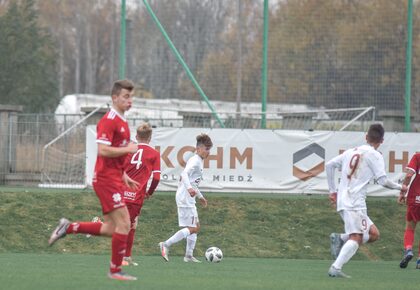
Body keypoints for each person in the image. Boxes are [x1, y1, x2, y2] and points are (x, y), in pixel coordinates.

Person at [48, 79, 139, 281]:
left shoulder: (123, 122)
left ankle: (68, 227)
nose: (129, 100)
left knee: (110, 229)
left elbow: (113, 156)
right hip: (105, 180)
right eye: (125, 96)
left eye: (131, 96)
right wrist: (128, 149)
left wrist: (124, 175)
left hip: (114, 178)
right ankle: (115, 271)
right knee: (125, 223)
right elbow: (103, 150)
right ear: (114, 98)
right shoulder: (109, 120)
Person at [326, 123, 407, 278]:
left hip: (346, 200)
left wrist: (332, 192)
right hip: (354, 201)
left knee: (374, 234)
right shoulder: (375, 155)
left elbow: (329, 165)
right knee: (356, 236)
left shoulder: (351, 151)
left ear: (366, 136)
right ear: (382, 141)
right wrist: (400, 187)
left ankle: (340, 238)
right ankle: (336, 268)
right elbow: (383, 181)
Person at [159, 133, 212, 263]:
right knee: (194, 228)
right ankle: (166, 244)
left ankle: (188, 256)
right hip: (185, 197)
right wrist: (189, 189)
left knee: (196, 226)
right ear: (199, 149)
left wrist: (200, 197)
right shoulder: (195, 160)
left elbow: (194, 183)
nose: (208, 152)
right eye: (206, 149)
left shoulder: (199, 161)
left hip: (188, 197)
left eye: (209, 149)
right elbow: (184, 174)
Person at [122, 123, 161, 266]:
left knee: (132, 225)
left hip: (121, 193)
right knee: (126, 225)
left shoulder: (128, 150)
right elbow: (156, 178)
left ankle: (127, 257)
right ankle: (99, 225)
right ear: (150, 138)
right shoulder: (154, 154)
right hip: (135, 196)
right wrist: (149, 192)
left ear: (136, 136)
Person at [397, 153, 420, 269]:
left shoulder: (418, 156)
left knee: (410, 228)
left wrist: (402, 192)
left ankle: (409, 250)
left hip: (415, 197)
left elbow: (409, 175)